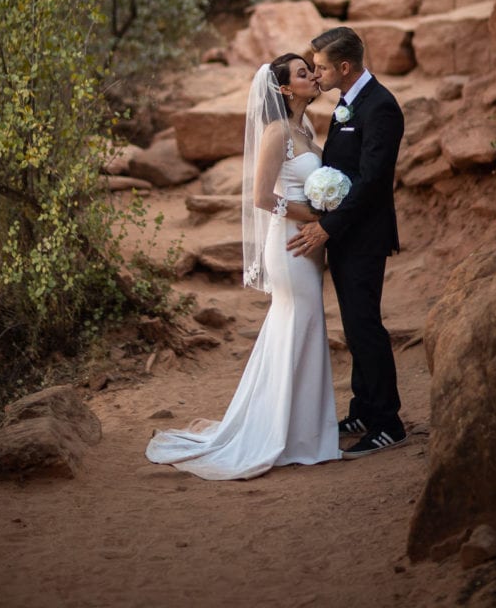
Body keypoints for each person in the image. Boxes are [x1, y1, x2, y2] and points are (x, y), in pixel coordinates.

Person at [145, 54, 341, 480]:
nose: (312, 77)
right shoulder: (276, 133)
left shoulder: (303, 128)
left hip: (308, 243)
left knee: (300, 331)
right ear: (285, 89)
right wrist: (315, 218)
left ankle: (302, 433)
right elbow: (261, 198)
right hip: (290, 244)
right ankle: (287, 438)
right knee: (300, 326)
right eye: (303, 74)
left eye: (311, 70)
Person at [287, 26, 406, 458]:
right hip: (346, 233)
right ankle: (362, 407)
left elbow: (373, 181)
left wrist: (328, 226)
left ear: (343, 66)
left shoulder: (381, 108)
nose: (315, 74)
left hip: (364, 234)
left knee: (365, 326)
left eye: (319, 67)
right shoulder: (347, 104)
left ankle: (387, 421)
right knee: (354, 326)